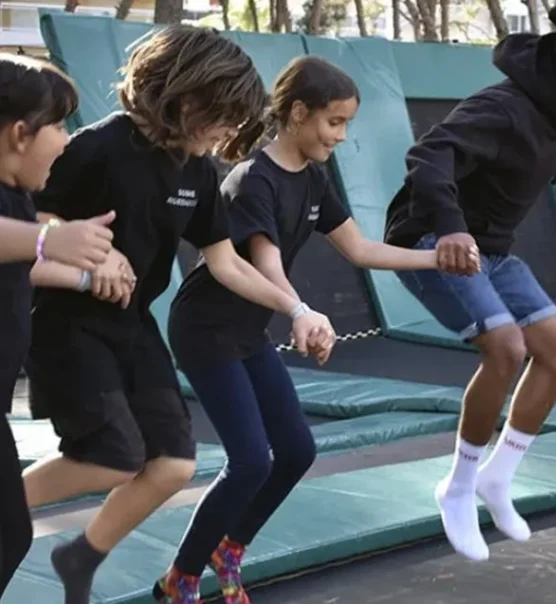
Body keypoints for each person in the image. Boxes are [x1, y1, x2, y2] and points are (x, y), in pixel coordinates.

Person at [21, 27, 335, 604]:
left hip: (133, 326)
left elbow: (228, 264)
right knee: (112, 459)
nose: (229, 134)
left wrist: (297, 308)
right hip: (69, 327)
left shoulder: (194, 172)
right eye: (223, 118)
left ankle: (79, 554)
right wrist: (88, 261)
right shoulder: (95, 150)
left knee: (171, 465)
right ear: (187, 100)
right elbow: (26, 244)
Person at [154, 56, 452, 604]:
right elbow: (265, 264)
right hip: (205, 329)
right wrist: (301, 311)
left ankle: (230, 549)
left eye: (345, 124)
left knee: (296, 452)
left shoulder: (313, 179)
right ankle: (182, 578)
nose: (340, 136)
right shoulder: (252, 179)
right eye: (333, 122)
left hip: (246, 332)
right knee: (249, 463)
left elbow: (360, 249)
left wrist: (438, 260)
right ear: (296, 114)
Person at [383, 4, 556, 562]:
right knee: (505, 348)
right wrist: (450, 228)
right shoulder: (502, 107)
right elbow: (428, 156)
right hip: (433, 243)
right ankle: (455, 488)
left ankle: (498, 477)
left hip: (493, 252)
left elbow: (554, 163)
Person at [0, 53, 125, 599]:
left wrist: (81, 273)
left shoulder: (18, 197)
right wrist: (52, 239)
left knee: (10, 534)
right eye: (57, 124)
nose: (66, 139)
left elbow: (17, 258)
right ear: (21, 133)